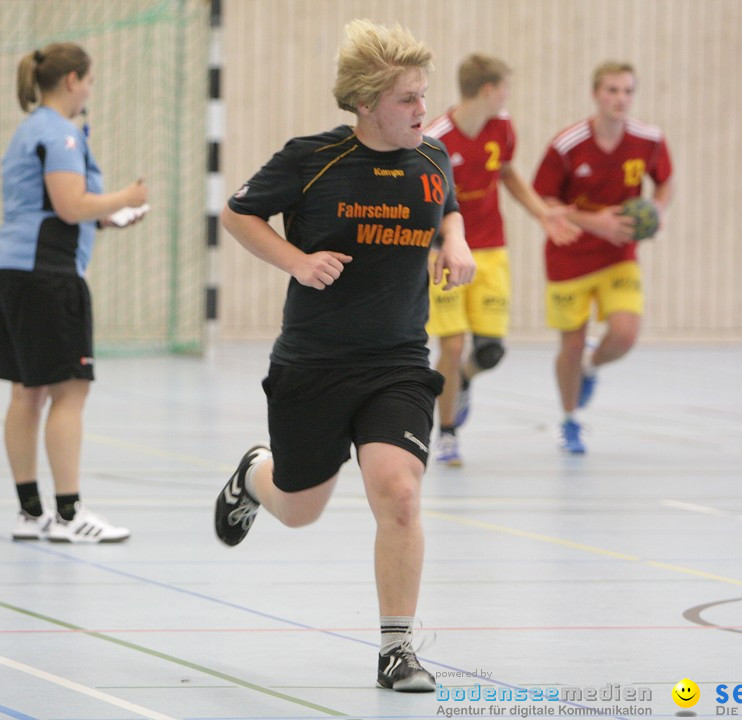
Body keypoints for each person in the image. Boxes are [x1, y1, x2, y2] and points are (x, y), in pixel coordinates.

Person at [214, 20, 474, 692]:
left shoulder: (433, 158)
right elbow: (239, 214)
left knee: (402, 496)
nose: (423, 110)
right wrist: (296, 261)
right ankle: (253, 476)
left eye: (423, 95)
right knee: (300, 510)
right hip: (315, 362)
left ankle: (397, 650)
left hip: (397, 362)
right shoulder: (311, 159)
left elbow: (448, 205)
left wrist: (456, 241)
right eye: (408, 99)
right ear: (366, 104)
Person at [0, 43, 148, 543]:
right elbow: (68, 203)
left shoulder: (28, 130)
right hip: (47, 275)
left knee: (27, 390)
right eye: (90, 81)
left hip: (12, 269)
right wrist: (125, 197)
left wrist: (108, 216)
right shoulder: (60, 134)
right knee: (70, 390)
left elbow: (60, 207)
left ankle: (31, 512)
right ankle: (69, 513)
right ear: (73, 80)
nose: (90, 92)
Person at [423, 54, 577, 466]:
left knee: (489, 351)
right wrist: (431, 248)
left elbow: (507, 174)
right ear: (489, 90)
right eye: (505, 87)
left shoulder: (502, 127)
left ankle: (464, 383)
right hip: (446, 252)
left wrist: (543, 214)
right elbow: (422, 201)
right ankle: (448, 434)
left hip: (491, 248)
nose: (508, 95)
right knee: (452, 346)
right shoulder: (436, 139)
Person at [532, 61, 673, 454]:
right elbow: (544, 200)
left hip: (619, 256)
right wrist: (594, 222)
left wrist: (658, 211)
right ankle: (570, 420)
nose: (620, 99)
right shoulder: (568, 144)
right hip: (568, 257)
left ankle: (592, 367)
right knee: (571, 344)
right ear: (595, 94)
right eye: (612, 90)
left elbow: (665, 181)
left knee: (625, 335)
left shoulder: (649, 139)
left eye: (627, 91)